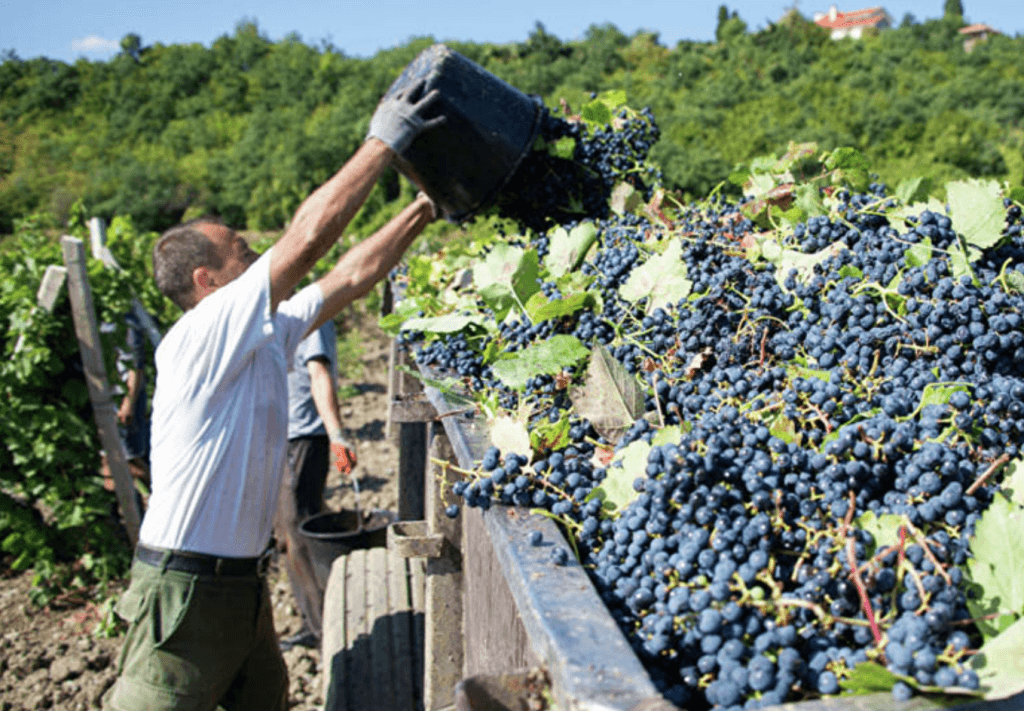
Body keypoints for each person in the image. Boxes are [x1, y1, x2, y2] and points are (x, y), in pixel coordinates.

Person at [103, 80, 444, 711]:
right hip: (180, 592)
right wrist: (384, 142)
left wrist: (425, 207)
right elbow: (306, 243)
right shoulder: (198, 336)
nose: (258, 253)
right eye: (242, 252)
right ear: (208, 282)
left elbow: (350, 275)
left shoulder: (265, 334)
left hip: (241, 587)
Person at [275, 316, 355, 651]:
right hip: (290, 437)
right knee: (297, 527)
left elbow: (319, 374)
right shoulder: (282, 316)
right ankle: (328, 613)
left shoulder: (310, 316)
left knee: (298, 535)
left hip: (304, 436)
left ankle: (325, 629)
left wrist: (337, 435)